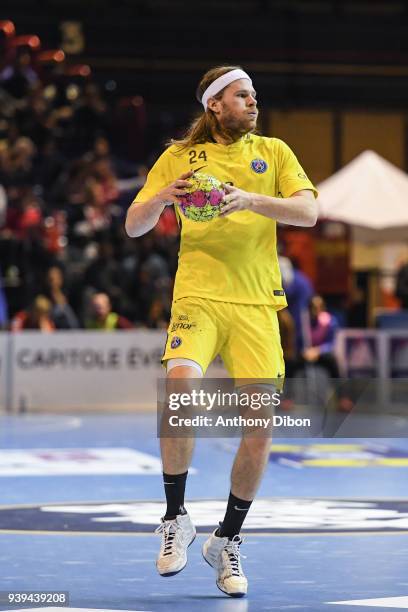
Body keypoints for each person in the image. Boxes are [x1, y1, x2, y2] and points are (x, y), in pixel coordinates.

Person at [125, 65, 317, 598]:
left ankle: (227, 540)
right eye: (242, 95)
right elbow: (133, 223)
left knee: (259, 426)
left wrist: (251, 200)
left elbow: (309, 211)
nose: (253, 102)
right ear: (215, 105)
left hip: (256, 303)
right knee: (179, 389)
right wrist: (162, 196)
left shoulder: (274, 152)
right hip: (198, 296)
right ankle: (175, 517)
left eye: (254, 95)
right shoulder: (179, 158)